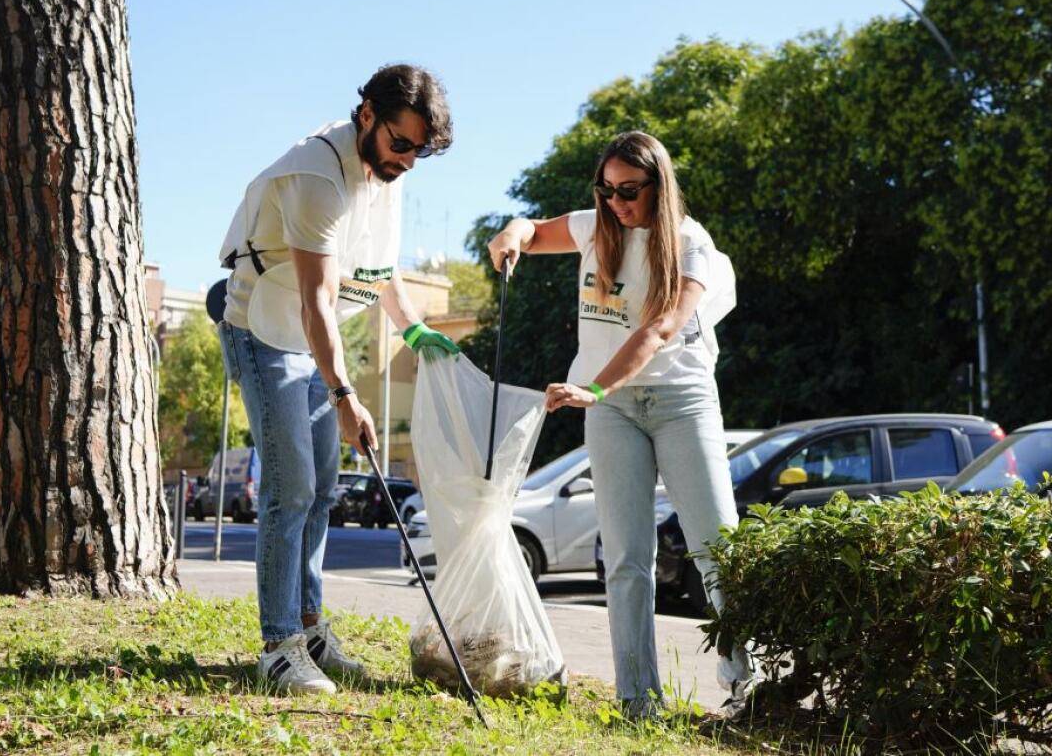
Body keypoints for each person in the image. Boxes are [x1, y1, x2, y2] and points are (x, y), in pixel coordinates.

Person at [486, 131, 756, 717]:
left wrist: (594, 387)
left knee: (719, 549)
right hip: (609, 410)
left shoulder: (690, 246)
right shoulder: (595, 227)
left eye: (629, 191)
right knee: (627, 559)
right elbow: (531, 230)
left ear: (658, 186)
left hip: (678, 399)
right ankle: (639, 701)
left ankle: (747, 688)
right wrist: (512, 233)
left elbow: (658, 330)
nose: (616, 203)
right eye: (605, 190)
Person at [217, 64, 460, 695]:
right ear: (367, 117)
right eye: (400, 144)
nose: (408, 160)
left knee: (324, 488)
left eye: (420, 151)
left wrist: (412, 330)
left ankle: (311, 626)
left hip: (307, 338)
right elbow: (316, 301)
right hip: (264, 329)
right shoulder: (318, 176)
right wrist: (346, 394)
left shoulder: (388, 174)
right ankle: (279, 647)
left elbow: (380, 268)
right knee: (290, 489)